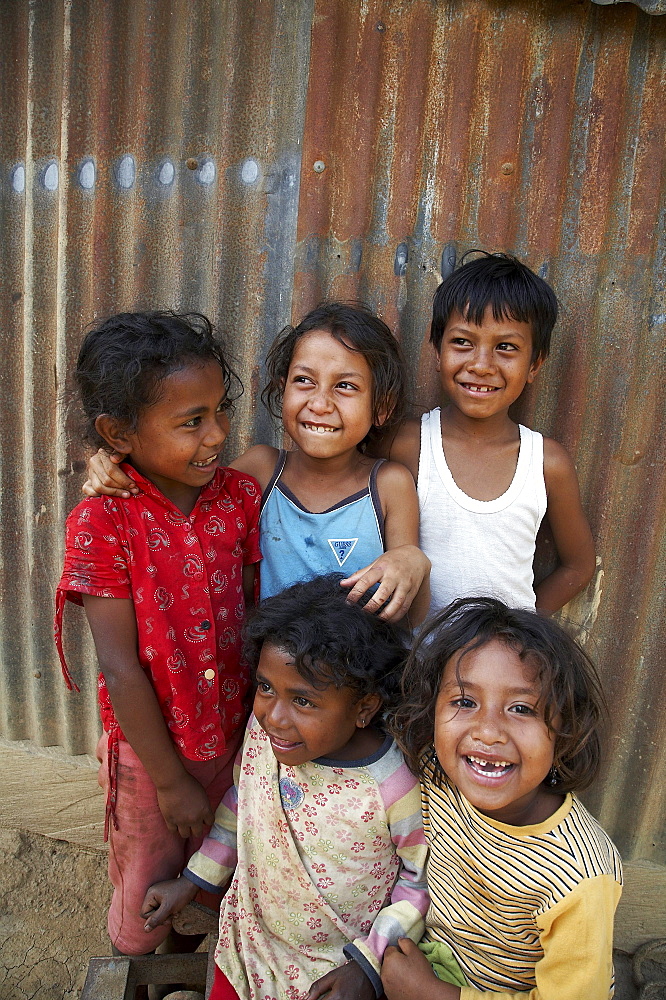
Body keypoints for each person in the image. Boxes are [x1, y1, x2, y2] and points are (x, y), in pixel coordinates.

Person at [54, 312, 262, 960]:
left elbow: (255, 616)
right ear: (118, 435)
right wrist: (171, 781)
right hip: (150, 758)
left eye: (220, 412)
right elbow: (120, 668)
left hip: (233, 739)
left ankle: (196, 957)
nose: (218, 435)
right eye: (192, 421)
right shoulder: (101, 521)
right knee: (145, 874)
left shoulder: (239, 498)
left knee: (223, 869)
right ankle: (142, 958)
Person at [140, 574, 430, 1000]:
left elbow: (418, 879)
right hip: (249, 946)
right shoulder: (264, 741)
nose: (274, 716)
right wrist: (194, 880)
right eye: (265, 688)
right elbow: (242, 805)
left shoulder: (392, 786)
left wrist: (368, 966)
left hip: (336, 970)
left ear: (364, 707)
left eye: (303, 700)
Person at [83, 302, 430, 623]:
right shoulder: (261, 471)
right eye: (304, 381)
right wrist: (112, 460)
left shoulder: (388, 485)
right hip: (267, 680)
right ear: (283, 390)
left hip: (357, 675)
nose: (320, 403)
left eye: (345, 386)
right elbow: (178, 495)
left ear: (381, 406)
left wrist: (413, 560)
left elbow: (409, 605)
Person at [381, 596, 622, 1000]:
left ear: (565, 728)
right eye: (464, 701)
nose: (488, 732)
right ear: (432, 710)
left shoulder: (580, 876)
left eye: (522, 708)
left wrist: (431, 993)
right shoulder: (437, 777)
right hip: (428, 961)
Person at [377, 251, 596, 615]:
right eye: (462, 342)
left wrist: (519, 633)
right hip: (410, 663)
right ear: (437, 351)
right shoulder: (406, 444)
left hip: (503, 667)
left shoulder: (546, 463)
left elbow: (578, 566)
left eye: (506, 347)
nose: (481, 365)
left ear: (534, 364)